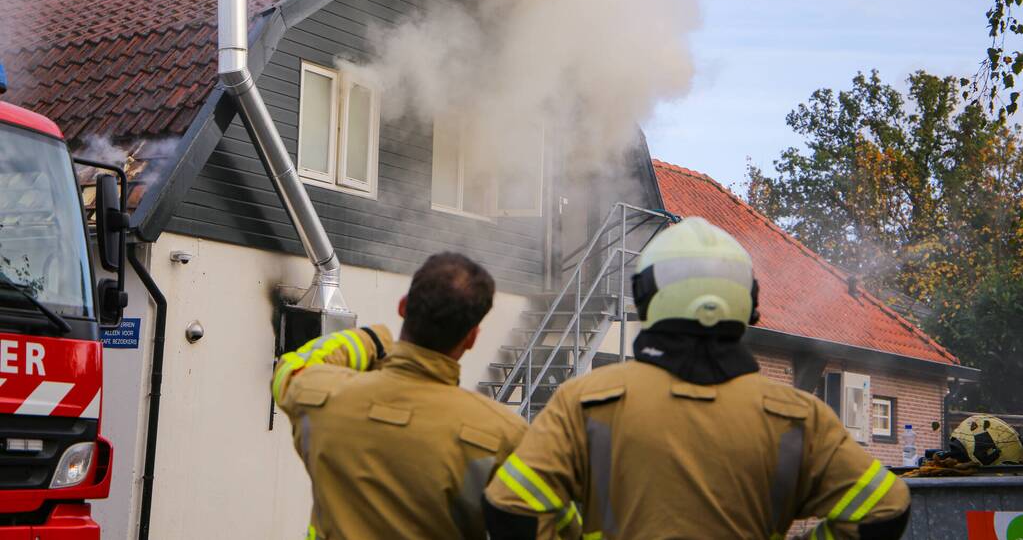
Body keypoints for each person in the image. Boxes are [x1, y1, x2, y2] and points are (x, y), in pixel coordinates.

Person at [483, 217, 911, 540]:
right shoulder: (799, 418)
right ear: (748, 303)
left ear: (647, 297)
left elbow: (509, 506)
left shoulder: (585, 401)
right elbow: (887, 508)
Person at [273, 252, 528, 539]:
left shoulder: (321, 394)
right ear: (471, 338)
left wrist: (369, 338)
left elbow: (291, 367)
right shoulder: (507, 436)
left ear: (403, 307)